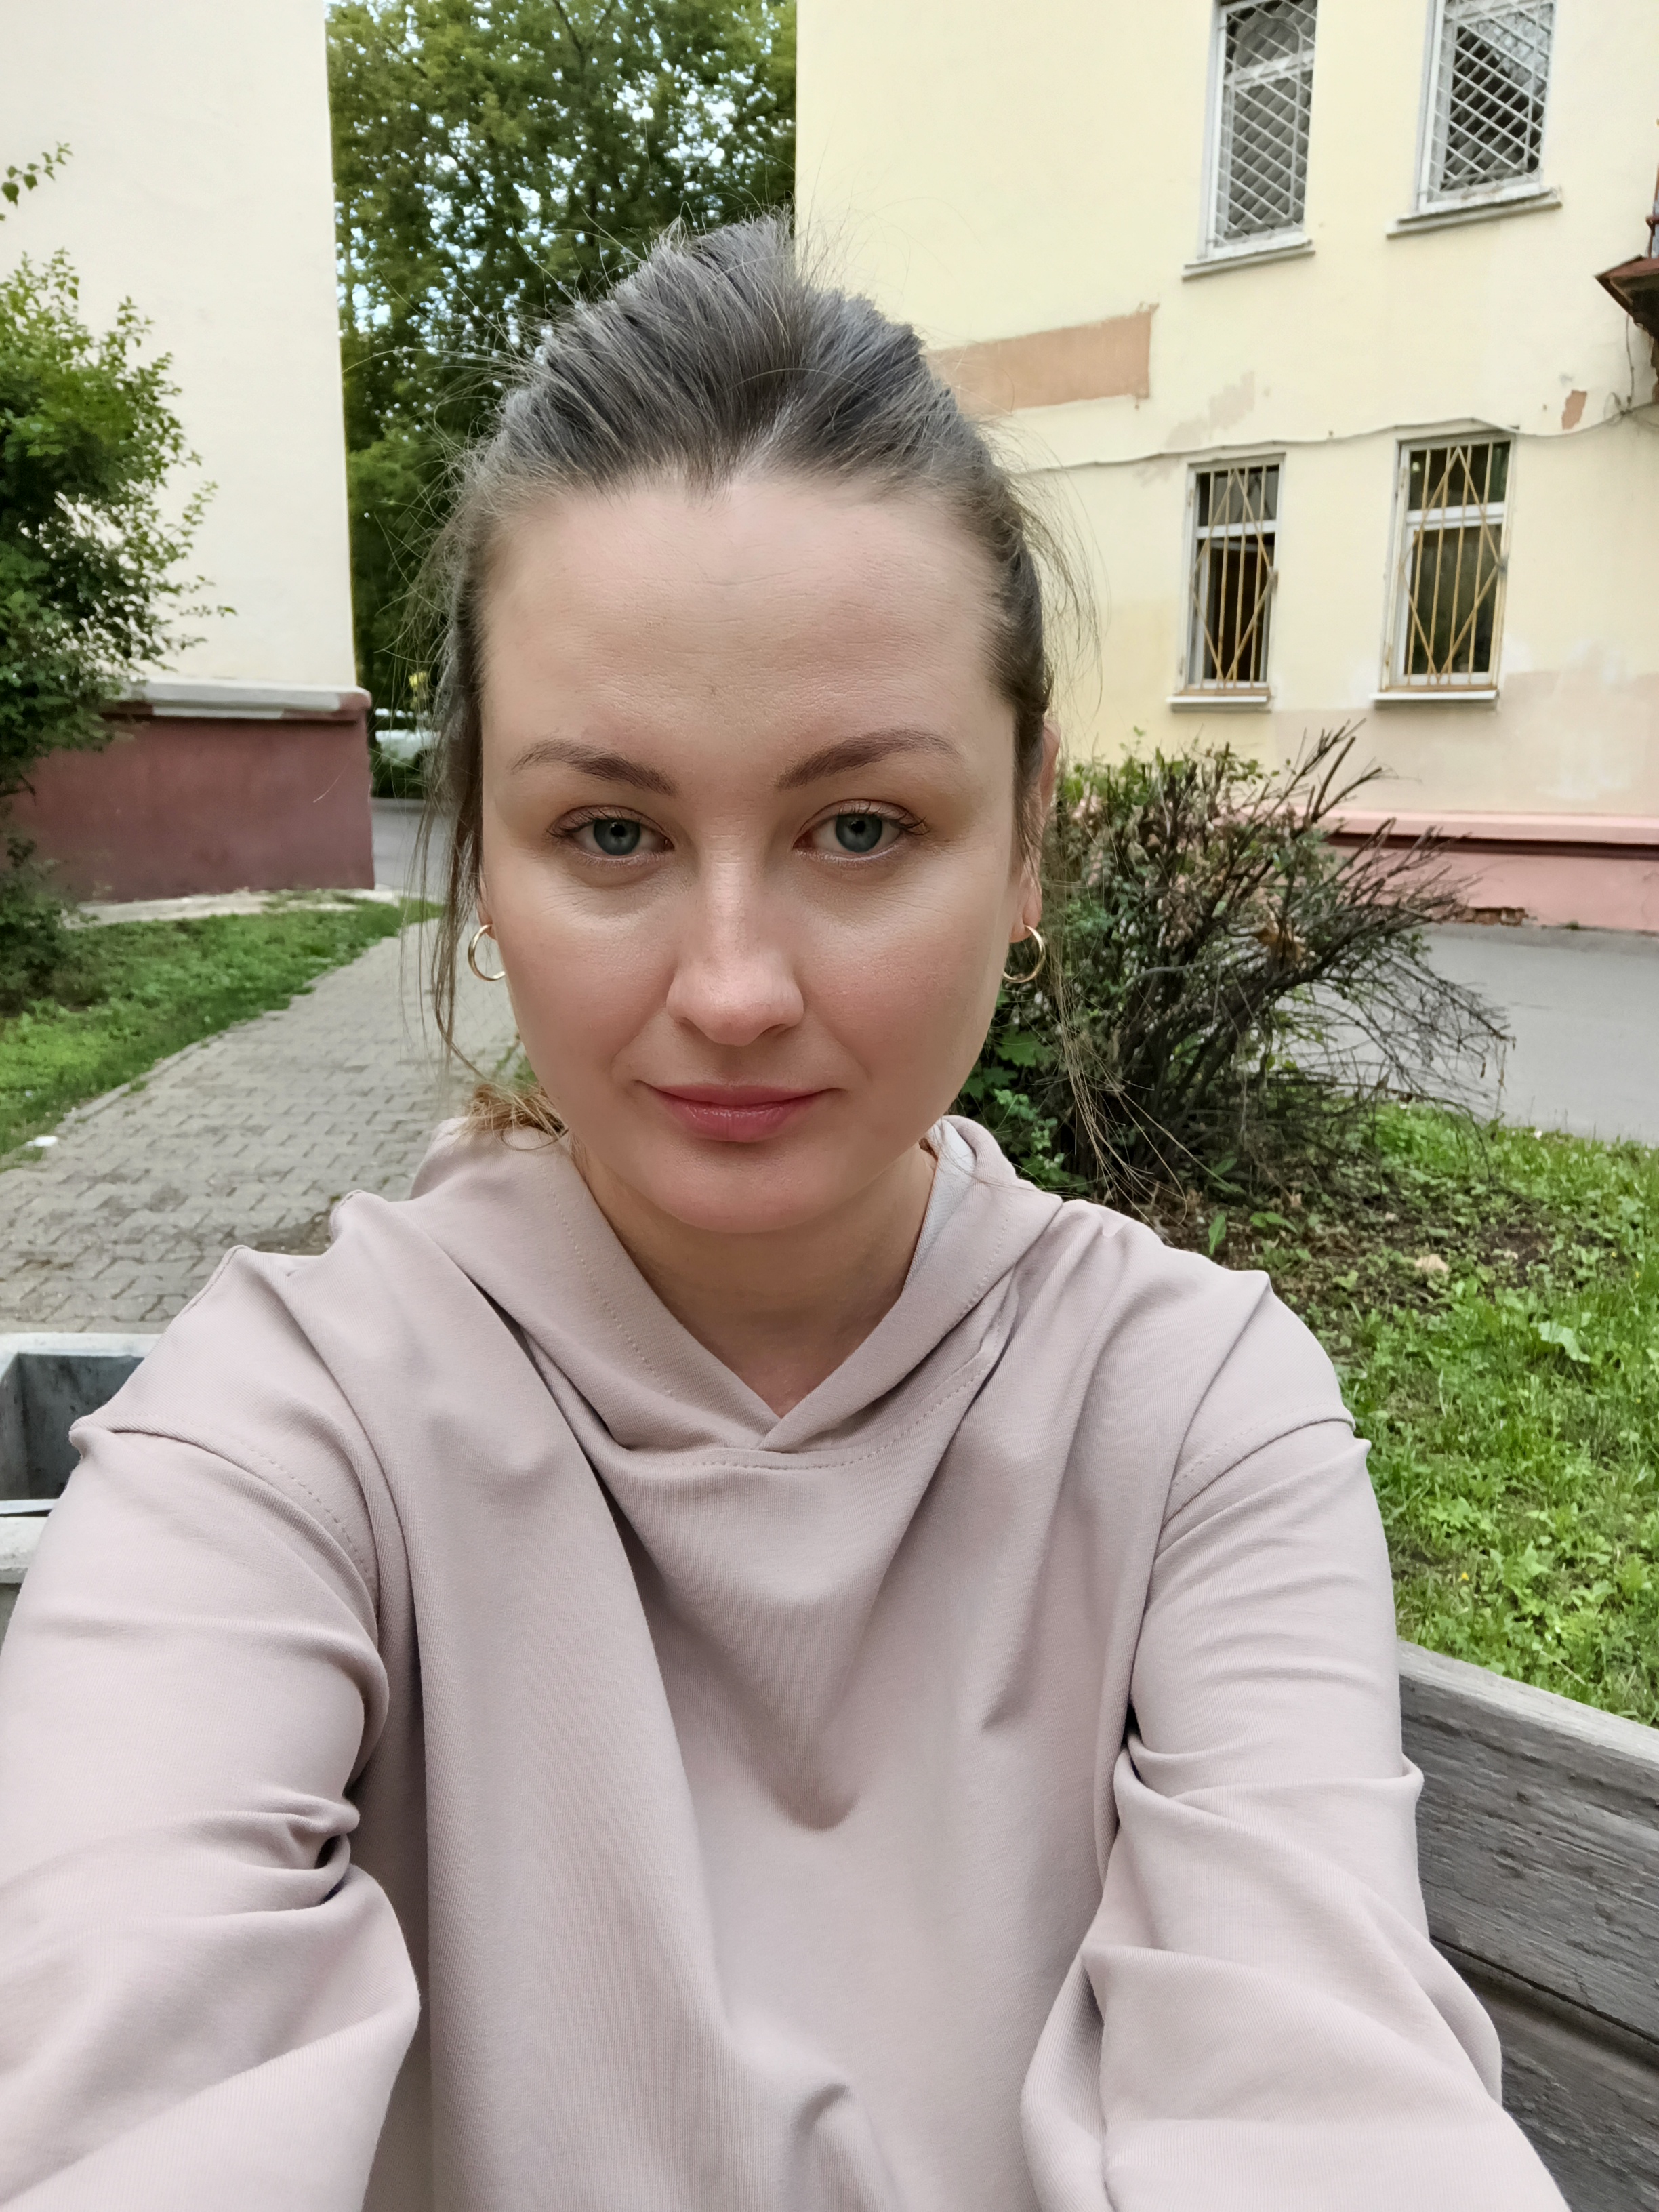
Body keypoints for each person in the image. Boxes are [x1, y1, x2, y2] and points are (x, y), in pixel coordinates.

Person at [0, 220, 1563, 2212]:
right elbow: (119, 2057)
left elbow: (1320, 2099)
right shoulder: (285, 1434)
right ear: (481, 859)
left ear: (1027, 836)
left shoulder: (1189, 1421)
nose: (734, 988)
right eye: (613, 832)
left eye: (859, 828)